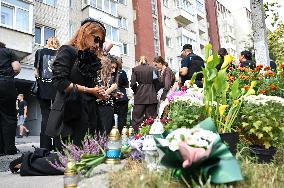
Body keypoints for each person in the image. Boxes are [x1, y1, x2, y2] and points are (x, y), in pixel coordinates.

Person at [45, 17, 108, 147]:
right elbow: (60, 82)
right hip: (69, 113)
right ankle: (25, 164)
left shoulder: (91, 58)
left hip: (88, 113)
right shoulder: (67, 50)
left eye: (100, 42)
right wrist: (90, 90)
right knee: (67, 161)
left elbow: (88, 85)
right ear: (85, 33)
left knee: (89, 157)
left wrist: (97, 92)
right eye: (96, 39)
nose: (97, 45)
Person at [34, 37, 60, 150]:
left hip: (43, 88)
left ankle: (45, 146)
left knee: (45, 116)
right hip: (57, 89)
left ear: (47, 43)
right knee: (58, 115)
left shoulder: (40, 52)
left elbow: (36, 73)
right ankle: (58, 145)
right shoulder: (60, 54)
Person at [0, 41, 21, 155]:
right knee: (8, 116)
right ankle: (9, 149)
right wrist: (10, 76)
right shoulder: (8, 52)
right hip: (6, 83)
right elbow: (17, 68)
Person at [130, 56, 158, 131]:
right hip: (151, 95)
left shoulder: (135, 69)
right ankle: (151, 134)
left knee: (137, 118)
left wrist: (137, 91)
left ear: (139, 61)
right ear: (147, 61)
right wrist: (154, 90)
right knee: (151, 117)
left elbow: (132, 84)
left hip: (140, 96)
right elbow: (157, 82)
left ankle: (137, 135)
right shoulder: (153, 69)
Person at [113, 57, 129, 132]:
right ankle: (121, 132)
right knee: (122, 117)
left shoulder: (111, 72)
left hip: (112, 95)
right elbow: (127, 84)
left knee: (112, 116)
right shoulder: (122, 72)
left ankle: (112, 133)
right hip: (122, 95)